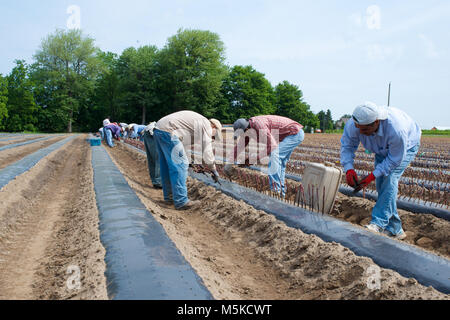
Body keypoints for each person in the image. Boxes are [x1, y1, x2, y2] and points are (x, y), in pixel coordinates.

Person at [340, 102, 421, 240]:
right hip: (380, 147)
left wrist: (372, 175)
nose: (360, 132)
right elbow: (347, 146)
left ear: (376, 122)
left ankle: (378, 223)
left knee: (389, 178)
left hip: (405, 147)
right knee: (381, 186)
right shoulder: (354, 125)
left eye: (364, 130)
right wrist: (348, 169)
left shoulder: (396, 130)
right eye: (358, 128)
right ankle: (396, 229)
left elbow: (394, 160)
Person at [153, 110, 222, 210]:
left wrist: (190, 160)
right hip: (169, 131)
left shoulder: (197, 124)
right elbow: (207, 151)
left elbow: (182, 145)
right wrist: (213, 169)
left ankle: (169, 197)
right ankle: (181, 201)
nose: (212, 137)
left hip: (159, 129)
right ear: (214, 127)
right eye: (214, 136)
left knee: (167, 165)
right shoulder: (206, 125)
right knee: (180, 165)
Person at [225, 115, 304, 197]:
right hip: (290, 135)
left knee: (275, 155)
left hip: (295, 134)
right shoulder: (249, 129)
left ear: (247, 130)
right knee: (280, 162)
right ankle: (281, 193)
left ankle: (275, 190)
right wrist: (229, 163)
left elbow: (272, 147)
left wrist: (253, 159)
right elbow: (239, 146)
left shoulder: (259, 125)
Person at [143, 121, 162, 189]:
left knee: (152, 159)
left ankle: (155, 181)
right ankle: (158, 183)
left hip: (148, 131)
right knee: (159, 159)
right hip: (152, 132)